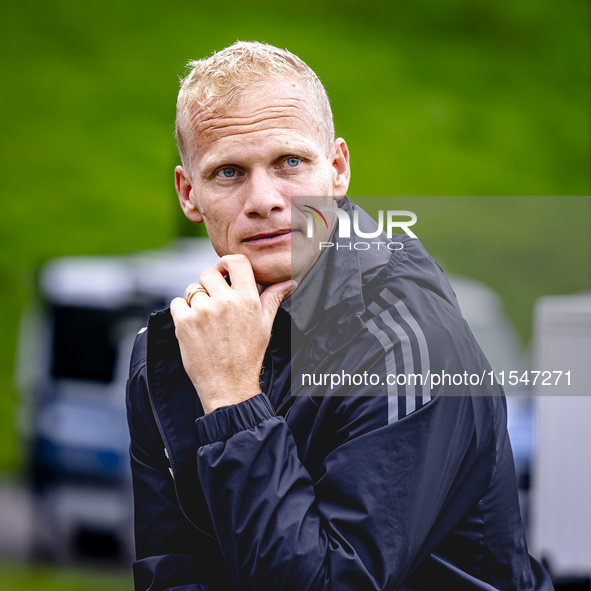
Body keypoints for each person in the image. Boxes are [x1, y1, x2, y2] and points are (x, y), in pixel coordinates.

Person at [126, 41, 553, 590]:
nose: (264, 199)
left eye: (290, 162)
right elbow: (172, 571)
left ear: (338, 169)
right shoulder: (169, 352)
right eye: (229, 172)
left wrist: (232, 399)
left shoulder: (409, 343)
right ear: (189, 194)